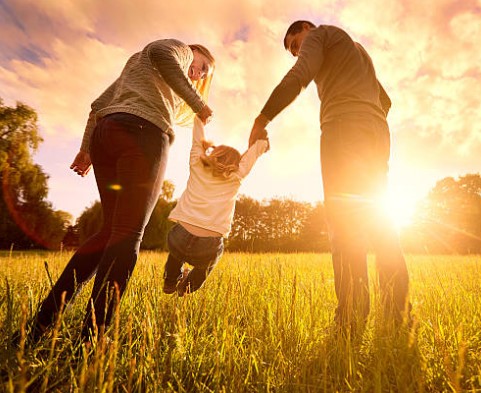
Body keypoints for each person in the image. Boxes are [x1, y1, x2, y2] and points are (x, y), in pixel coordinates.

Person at [26, 39, 216, 344]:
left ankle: (38, 327)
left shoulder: (137, 68)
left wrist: (86, 148)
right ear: (193, 52)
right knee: (128, 235)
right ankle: (93, 340)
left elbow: (98, 106)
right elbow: (161, 53)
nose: (198, 74)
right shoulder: (178, 49)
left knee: (109, 234)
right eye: (202, 66)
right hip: (144, 135)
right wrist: (199, 103)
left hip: (109, 134)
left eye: (203, 76)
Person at [249, 21, 409, 332]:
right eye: (294, 51)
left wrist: (262, 117)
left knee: (345, 224)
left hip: (343, 128)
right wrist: (366, 118)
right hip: (376, 131)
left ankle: (350, 321)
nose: (298, 53)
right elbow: (385, 100)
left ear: (306, 29)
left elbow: (300, 75)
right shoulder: (357, 50)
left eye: (297, 44)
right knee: (381, 222)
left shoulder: (320, 35)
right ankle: (397, 317)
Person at [162, 117, 269, 297]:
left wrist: (200, 119)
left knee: (176, 253)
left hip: (179, 236)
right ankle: (186, 287)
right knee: (206, 265)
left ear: (214, 154)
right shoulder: (237, 176)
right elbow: (252, 155)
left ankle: (170, 281)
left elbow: (197, 140)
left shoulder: (197, 163)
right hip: (208, 245)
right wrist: (262, 142)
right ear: (236, 164)